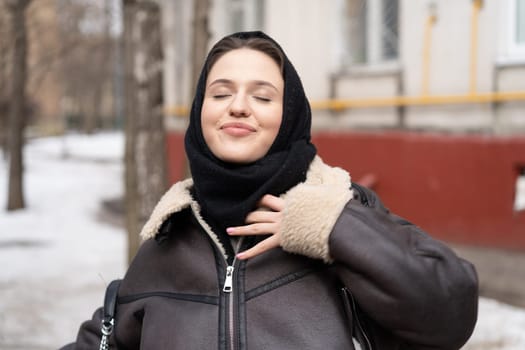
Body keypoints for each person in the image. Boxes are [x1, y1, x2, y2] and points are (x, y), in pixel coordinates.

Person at [62, 31, 478, 350]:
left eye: (262, 96)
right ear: (199, 112)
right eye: (220, 92)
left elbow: (450, 313)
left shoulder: (343, 208)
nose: (238, 106)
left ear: (289, 114)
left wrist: (331, 229)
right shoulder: (168, 236)